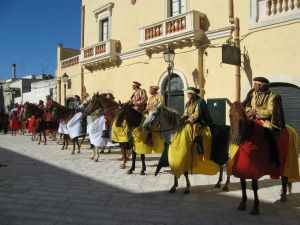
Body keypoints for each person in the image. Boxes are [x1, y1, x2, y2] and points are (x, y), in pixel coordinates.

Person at [182, 87, 213, 154]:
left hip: (200, 121)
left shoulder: (200, 101)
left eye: (189, 94)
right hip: (190, 121)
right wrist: (181, 118)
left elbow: (197, 114)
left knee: (195, 128)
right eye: (188, 93)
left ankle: (199, 147)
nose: (188, 95)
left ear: (193, 94)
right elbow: (185, 113)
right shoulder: (188, 103)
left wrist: (188, 120)